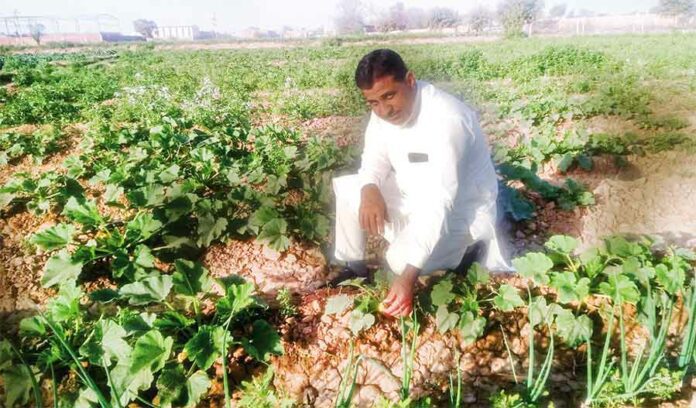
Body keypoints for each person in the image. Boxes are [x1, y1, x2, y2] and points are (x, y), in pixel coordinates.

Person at [332, 49, 511, 318]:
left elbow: (438, 202)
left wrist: (407, 279)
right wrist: (370, 188)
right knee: (350, 187)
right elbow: (374, 157)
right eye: (373, 102)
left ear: (411, 80)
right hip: (413, 196)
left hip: (460, 214)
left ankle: (469, 253)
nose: (383, 109)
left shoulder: (447, 119)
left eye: (389, 96)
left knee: (398, 261)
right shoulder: (383, 111)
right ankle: (355, 268)